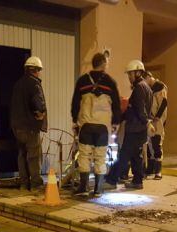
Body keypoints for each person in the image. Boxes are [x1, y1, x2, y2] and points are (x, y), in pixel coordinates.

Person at [71, 52, 121, 197]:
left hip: (86, 125)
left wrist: (75, 120)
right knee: (100, 156)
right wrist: (116, 122)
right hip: (103, 127)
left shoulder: (82, 81)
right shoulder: (110, 82)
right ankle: (98, 188)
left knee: (84, 156)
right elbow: (116, 104)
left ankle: (83, 186)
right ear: (104, 64)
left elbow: (75, 103)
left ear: (93, 64)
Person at [105, 60, 152, 190]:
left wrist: (146, 122)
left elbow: (140, 110)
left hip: (135, 129)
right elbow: (135, 109)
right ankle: (137, 181)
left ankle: (111, 180)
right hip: (140, 129)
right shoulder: (147, 88)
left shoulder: (139, 88)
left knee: (124, 155)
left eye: (130, 74)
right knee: (136, 155)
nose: (129, 77)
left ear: (138, 72)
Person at [10, 56, 47, 191]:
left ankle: (24, 184)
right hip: (30, 127)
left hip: (17, 127)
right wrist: (40, 114)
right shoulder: (34, 83)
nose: (39, 73)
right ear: (36, 70)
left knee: (22, 154)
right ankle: (36, 184)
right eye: (39, 70)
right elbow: (39, 104)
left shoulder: (18, 84)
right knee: (33, 155)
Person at [144, 71, 168, 180]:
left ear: (149, 77)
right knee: (149, 143)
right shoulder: (148, 88)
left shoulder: (160, 87)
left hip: (158, 120)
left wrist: (157, 117)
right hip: (150, 118)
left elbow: (164, 103)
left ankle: (158, 171)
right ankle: (151, 168)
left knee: (157, 143)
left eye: (145, 79)